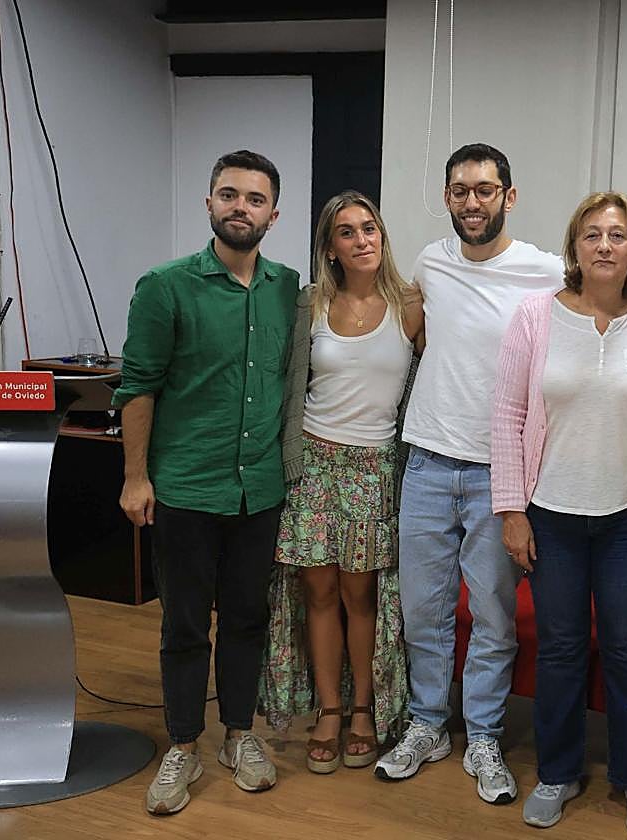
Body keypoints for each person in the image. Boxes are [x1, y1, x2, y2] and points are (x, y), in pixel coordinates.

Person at [373, 143, 563, 805]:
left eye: (485, 190)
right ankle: (429, 724)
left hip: (498, 473)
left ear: (509, 196)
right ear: (448, 197)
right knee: (422, 613)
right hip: (424, 459)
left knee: (492, 617)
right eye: (461, 191)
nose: (472, 202)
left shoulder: (545, 269)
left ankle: (482, 734)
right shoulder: (431, 260)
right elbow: (417, 330)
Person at [115, 150, 299, 815]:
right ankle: (185, 745)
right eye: (228, 195)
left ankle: (240, 736)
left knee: (249, 618)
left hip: (261, 492)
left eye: (254, 199)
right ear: (209, 204)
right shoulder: (164, 286)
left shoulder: (287, 287)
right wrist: (135, 477)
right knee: (186, 625)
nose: (240, 207)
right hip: (187, 488)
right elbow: (138, 386)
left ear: (273, 215)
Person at [492, 192, 627, 835]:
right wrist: (512, 510)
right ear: (573, 248)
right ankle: (557, 772)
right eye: (592, 234)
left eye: (617, 234)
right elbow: (508, 416)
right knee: (562, 649)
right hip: (551, 516)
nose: (604, 244)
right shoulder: (535, 316)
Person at [257, 191, 423, 773]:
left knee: (361, 597)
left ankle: (362, 709)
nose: (362, 240)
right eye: (348, 232)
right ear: (331, 247)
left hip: (373, 470)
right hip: (313, 469)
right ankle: (328, 711)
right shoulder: (310, 306)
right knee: (319, 595)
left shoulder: (410, 306)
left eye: (370, 228)